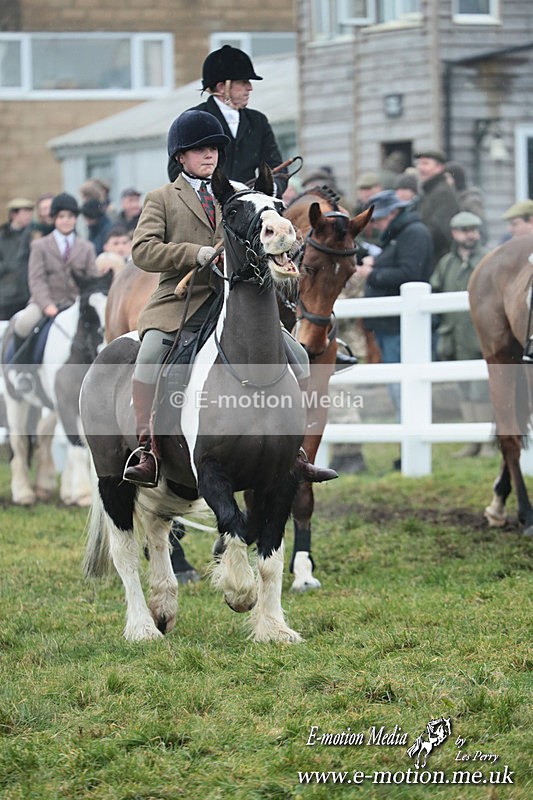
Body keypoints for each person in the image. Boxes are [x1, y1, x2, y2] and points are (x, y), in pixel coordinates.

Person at [125, 109, 336, 487]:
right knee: (150, 355)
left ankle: (296, 450)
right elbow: (143, 250)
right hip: (182, 301)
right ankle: (148, 449)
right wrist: (197, 253)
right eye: (199, 149)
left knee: (299, 355)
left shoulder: (239, 193)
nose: (210, 154)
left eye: (214, 148)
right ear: (180, 157)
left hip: (236, 301)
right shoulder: (162, 199)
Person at [356, 189, 433, 431]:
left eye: (378, 219)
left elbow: (410, 274)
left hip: (399, 326)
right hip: (390, 324)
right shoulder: (400, 233)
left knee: (404, 384)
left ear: (393, 213)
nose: (375, 225)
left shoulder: (413, 233)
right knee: (398, 382)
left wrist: (372, 273)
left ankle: (410, 432)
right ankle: (406, 434)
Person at [168, 45, 287, 197]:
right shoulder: (193, 120)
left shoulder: (258, 121)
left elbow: (276, 167)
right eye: (243, 82)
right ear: (222, 87)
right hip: (206, 202)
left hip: (250, 203)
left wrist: (270, 187)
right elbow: (175, 170)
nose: (250, 88)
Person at [11, 192, 97, 379]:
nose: (66, 220)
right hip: (46, 302)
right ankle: (22, 372)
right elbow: (36, 279)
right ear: (54, 218)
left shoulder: (87, 247)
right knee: (24, 324)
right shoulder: (40, 246)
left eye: (70, 216)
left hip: (76, 303)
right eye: (62, 216)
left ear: (76, 218)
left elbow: (92, 280)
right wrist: (47, 304)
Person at [430, 211, 492, 456]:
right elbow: (435, 291)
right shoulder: (447, 262)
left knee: (482, 391)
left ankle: (488, 442)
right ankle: (472, 441)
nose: (471, 235)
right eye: (465, 231)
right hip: (454, 336)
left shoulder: (488, 258)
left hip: (481, 335)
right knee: (464, 390)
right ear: (454, 234)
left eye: (474, 230)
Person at [414, 149, 460, 266]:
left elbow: (439, 230)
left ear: (439, 167)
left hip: (439, 260)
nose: (420, 168)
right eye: (419, 164)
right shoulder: (430, 191)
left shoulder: (443, 193)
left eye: (425, 164)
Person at [0, 197, 34, 320]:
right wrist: (8, 267)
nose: (29, 216)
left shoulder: (33, 235)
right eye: (25, 212)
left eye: (30, 212)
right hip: (6, 296)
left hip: (29, 295)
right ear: (14, 214)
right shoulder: (2, 236)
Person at [444, 161, 487, 243]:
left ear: (456, 179)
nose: (445, 182)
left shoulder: (471, 201)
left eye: (447, 178)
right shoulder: (451, 199)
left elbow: (481, 229)